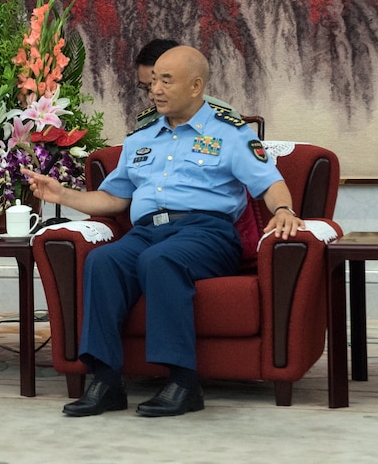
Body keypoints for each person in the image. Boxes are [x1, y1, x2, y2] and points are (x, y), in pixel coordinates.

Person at [22, 46, 304, 418]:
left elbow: (270, 182)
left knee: (161, 261)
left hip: (206, 232)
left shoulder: (230, 133)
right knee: (103, 261)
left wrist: (283, 209)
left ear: (195, 86)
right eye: (153, 80)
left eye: (166, 80)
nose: (155, 88)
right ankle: (106, 381)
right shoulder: (141, 137)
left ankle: (184, 383)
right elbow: (114, 198)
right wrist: (64, 195)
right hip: (147, 231)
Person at [134, 39, 242, 130]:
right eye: (146, 88)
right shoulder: (146, 122)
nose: (152, 95)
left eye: (165, 83)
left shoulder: (224, 118)